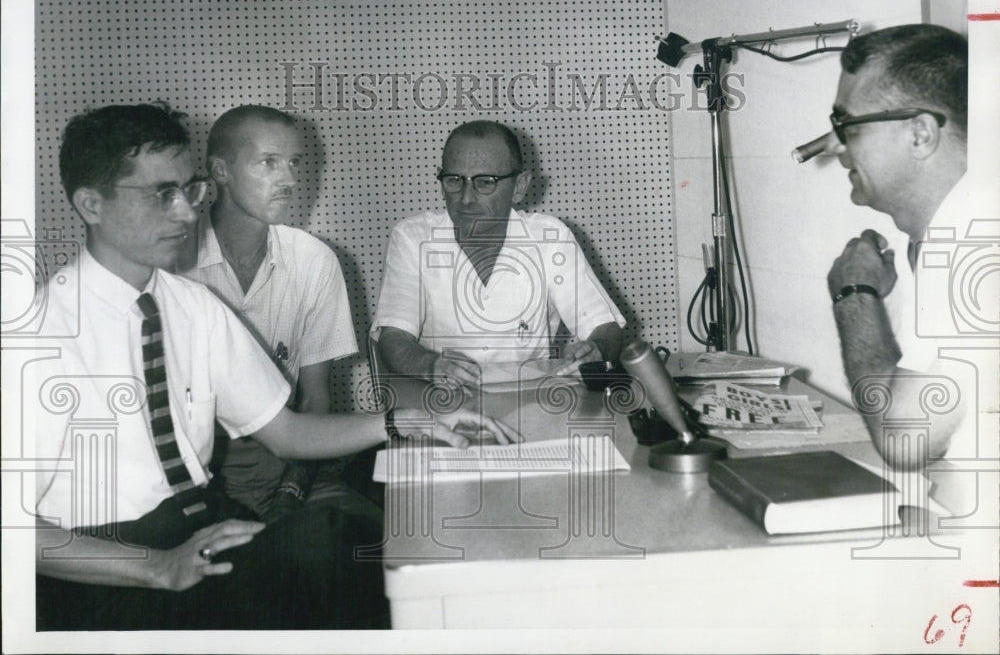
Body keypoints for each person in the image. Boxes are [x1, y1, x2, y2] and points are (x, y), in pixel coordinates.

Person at [34, 103, 519, 630]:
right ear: (90, 204)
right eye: (161, 195)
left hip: (201, 531)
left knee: (389, 553)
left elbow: (286, 430)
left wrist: (413, 422)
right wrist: (155, 566)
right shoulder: (36, 334)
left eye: (187, 190)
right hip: (104, 572)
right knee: (337, 561)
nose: (186, 212)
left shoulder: (191, 306)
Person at [176, 105, 370, 524]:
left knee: (367, 547)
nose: (290, 180)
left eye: (294, 163)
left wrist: (292, 488)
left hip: (291, 470)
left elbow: (315, 399)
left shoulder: (315, 260)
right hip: (202, 483)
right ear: (220, 171)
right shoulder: (172, 262)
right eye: (269, 163)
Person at [824, 24, 998, 470]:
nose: (838, 148)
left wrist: (854, 293)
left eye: (847, 126)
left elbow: (905, 438)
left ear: (920, 134)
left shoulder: (980, 245)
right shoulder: (940, 234)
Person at [373, 120, 625, 388]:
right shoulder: (413, 237)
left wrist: (596, 349)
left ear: (519, 186)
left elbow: (605, 326)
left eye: (485, 182)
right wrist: (431, 366)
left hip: (530, 406)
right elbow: (393, 339)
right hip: (438, 404)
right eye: (454, 181)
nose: (466, 198)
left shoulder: (550, 237)